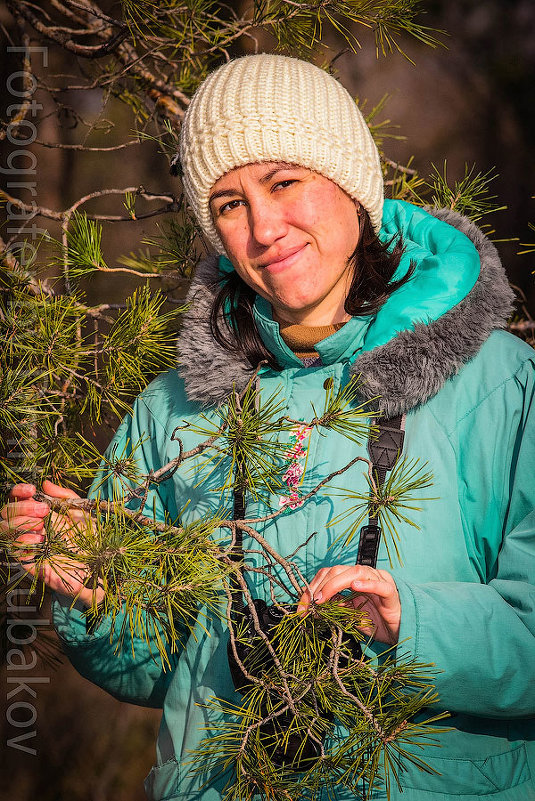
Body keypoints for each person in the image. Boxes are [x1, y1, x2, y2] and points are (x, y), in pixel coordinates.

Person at [2, 54, 535, 801]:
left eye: (284, 183)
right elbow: (158, 671)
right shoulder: (172, 410)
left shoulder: (500, 382)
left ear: (352, 183)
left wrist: (408, 622)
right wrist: (102, 591)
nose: (262, 227)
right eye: (227, 203)